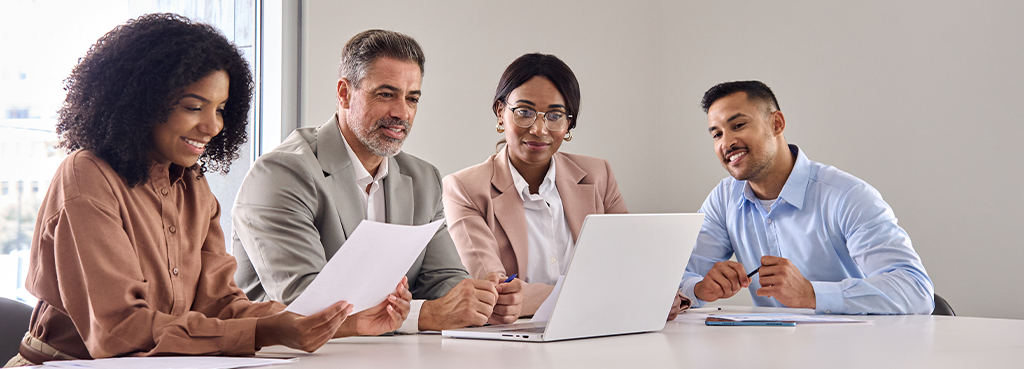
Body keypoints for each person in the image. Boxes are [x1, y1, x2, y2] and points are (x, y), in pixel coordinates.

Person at [5, 14, 379, 368]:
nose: (213, 125)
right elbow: (117, 331)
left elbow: (220, 305)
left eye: (220, 109)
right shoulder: (88, 177)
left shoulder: (193, 184)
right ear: (140, 102)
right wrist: (264, 330)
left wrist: (335, 319)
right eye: (194, 107)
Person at [231, 29, 524, 332]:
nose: (402, 113)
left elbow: (442, 279)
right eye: (386, 94)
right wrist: (424, 316)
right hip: (290, 358)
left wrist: (482, 301)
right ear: (344, 93)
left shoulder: (423, 179)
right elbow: (307, 304)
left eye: (412, 98)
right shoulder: (280, 174)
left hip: (386, 356)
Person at [443, 53, 688, 319]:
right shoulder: (464, 188)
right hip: (516, 342)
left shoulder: (597, 175)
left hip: (597, 331)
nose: (539, 129)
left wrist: (660, 293)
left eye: (555, 115)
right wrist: (622, 295)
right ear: (501, 113)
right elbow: (498, 295)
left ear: (569, 123)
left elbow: (634, 264)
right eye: (524, 112)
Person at [679, 80, 934, 314]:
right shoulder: (724, 199)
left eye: (738, 125)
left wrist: (813, 294)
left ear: (776, 124)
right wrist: (700, 289)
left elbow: (915, 289)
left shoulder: (847, 196)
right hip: (771, 350)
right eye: (717, 134)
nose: (727, 142)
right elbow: (678, 276)